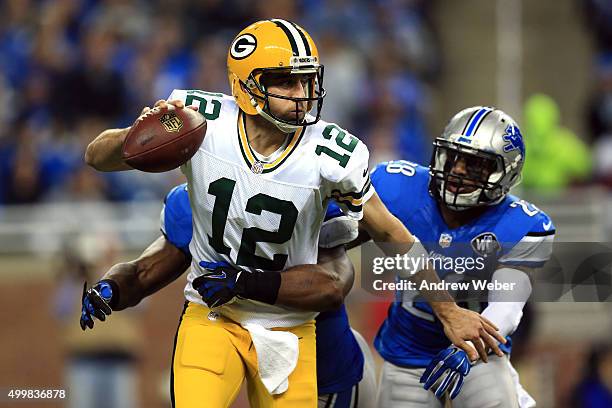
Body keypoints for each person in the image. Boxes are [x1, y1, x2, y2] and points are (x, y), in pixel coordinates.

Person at [84, 19, 503, 407]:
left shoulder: (332, 157)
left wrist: (448, 310)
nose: (302, 94)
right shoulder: (198, 122)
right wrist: (132, 137)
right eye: (286, 82)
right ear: (245, 85)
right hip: (213, 317)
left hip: (291, 325)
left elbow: (391, 235)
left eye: (307, 81)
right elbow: (97, 157)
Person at [81, 183, 377, 407]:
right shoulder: (196, 201)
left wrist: (246, 283)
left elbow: (333, 285)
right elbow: (142, 273)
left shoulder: (301, 189)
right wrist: (112, 287)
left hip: (327, 372)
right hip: (246, 352)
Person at [367, 106, 555, 407]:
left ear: (505, 174)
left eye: (475, 164)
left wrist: (465, 349)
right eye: (454, 157)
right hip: (406, 353)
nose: (458, 170)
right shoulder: (398, 186)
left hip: (479, 355)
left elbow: (506, 306)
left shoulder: (524, 225)